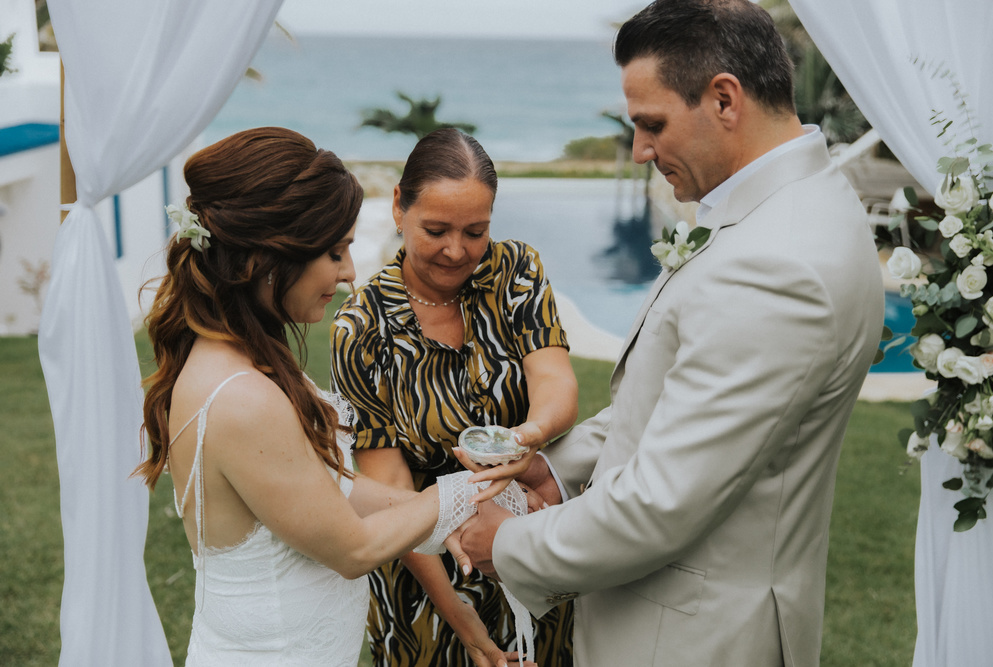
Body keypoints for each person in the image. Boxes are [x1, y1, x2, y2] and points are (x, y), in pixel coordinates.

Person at [457, 1, 885, 665]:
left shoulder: (777, 264)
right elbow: (669, 405)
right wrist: (554, 468)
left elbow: (662, 503)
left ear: (723, 99)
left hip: (689, 638)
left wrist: (507, 544)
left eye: (652, 124)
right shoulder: (796, 209)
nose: (640, 150)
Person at [135, 127, 523, 667]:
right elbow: (352, 549)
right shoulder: (242, 396)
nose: (347, 273)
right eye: (335, 251)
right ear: (269, 257)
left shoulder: (242, 361)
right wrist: (457, 494)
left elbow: (333, 489)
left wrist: (449, 513)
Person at [331, 127, 578, 666]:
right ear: (399, 206)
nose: (456, 251)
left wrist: (525, 441)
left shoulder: (516, 273)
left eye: (475, 231)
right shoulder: (362, 328)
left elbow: (555, 382)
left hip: (528, 545)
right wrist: (460, 617)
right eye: (437, 229)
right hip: (426, 578)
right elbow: (387, 487)